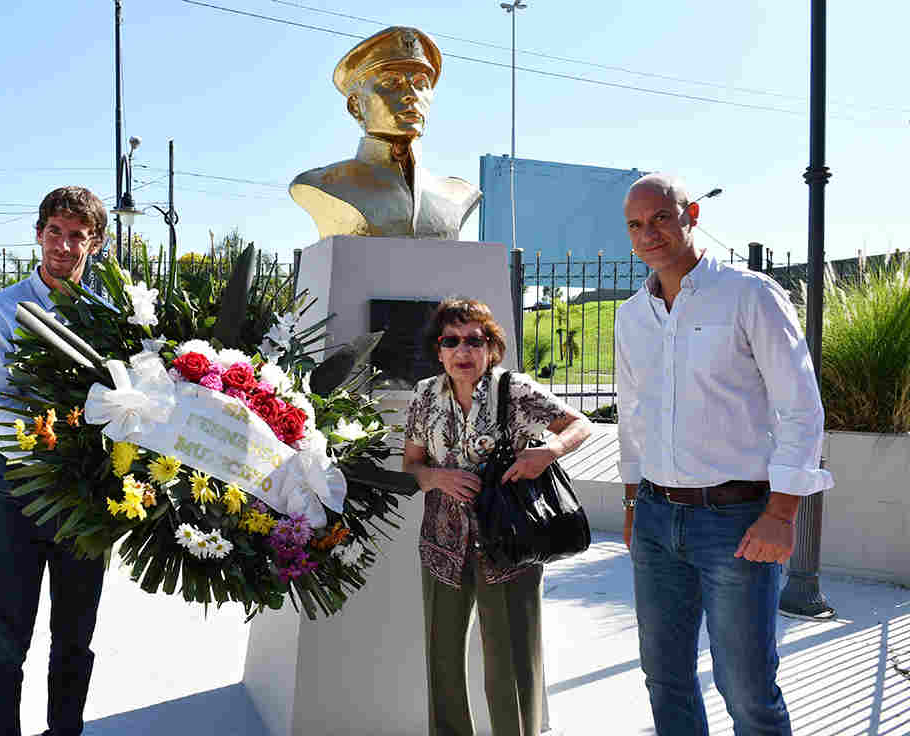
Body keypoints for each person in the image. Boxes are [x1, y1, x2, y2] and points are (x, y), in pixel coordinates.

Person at [615, 173, 834, 735]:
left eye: (661, 217)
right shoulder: (631, 316)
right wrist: (634, 502)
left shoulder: (748, 294)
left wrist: (782, 513)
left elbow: (802, 409)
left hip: (738, 522)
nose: (649, 234)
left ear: (690, 213)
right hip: (658, 519)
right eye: (636, 225)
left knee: (747, 691)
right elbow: (633, 414)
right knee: (665, 679)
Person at [403, 297, 592, 736]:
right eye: (451, 341)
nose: (462, 351)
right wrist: (436, 477)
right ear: (439, 349)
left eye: (475, 340)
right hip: (442, 544)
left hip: (509, 542)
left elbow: (578, 423)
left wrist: (548, 452)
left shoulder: (516, 390)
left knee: (511, 660)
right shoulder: (425, 396)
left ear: (492, 348)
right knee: (443, 659)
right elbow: (411, 464)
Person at [0, 186, 108, 736]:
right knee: (8, 635)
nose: (64, 245)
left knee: (75, 636)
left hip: (91, 493)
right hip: (22, 490)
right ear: (38, 234)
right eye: (55, 231)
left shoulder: (112, 317)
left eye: (78, 235)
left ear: (94, 244)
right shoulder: (0, 312)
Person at [290, 26, 481, 240]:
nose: (411, 95)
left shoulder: (456, 195)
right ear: (355, 106)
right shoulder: (323, 184)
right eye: (391, 82)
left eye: (421, 84)